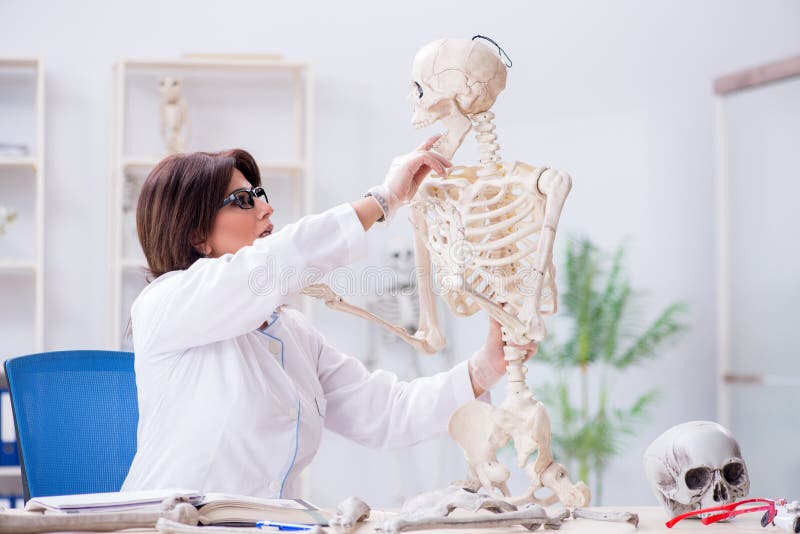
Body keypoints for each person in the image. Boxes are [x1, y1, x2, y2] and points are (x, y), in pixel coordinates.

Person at [121, 135, 536, 498]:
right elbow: (276, 262)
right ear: (196, 235)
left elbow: (386, 412)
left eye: (260, 194)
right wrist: (383, 200)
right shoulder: (164, 305)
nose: (266, 209)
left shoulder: (292, 334)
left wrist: (485, 368)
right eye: (243, 201)